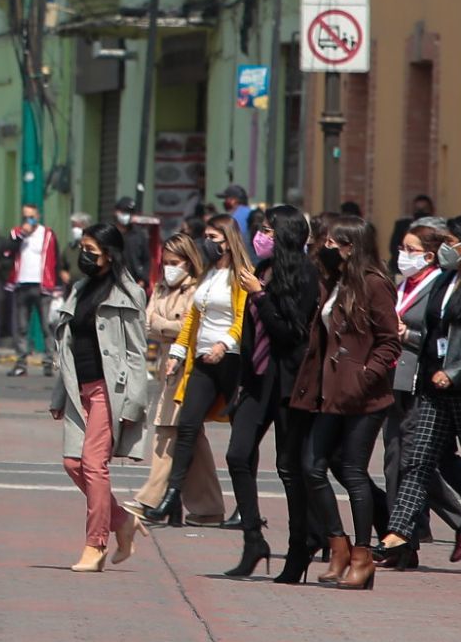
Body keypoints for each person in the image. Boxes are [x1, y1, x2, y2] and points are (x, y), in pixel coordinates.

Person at [378, 214, 461, 576]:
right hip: (433, 384)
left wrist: (454, 372)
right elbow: (433, 332)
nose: (443, 250)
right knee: (418, 458)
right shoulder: (446, 280)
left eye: (449, 242)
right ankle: (398, 531)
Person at [289, 215, 399, 590]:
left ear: (352, 246)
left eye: (334, 244)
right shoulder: (334, 282)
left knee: (353, 471)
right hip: (329, 393)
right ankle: (338, 544)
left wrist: (364, 375)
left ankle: (363, 555)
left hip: (364, 397)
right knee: (313, 467)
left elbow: (389, 340)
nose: (326, 248)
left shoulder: (374, 284)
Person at [224, 204, 320, 582]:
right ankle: (253, 539)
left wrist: (260, 296)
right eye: (260, 230)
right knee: (237, 454)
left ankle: (300, 548)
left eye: (269, 231)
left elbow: (290, 332)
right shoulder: (260, 271)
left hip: (287, 382)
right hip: (257, 379)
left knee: (288, 467)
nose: (261, 237)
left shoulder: (304, 274)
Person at [47, 223, 147, 571]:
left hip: (111, 390)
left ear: (110, 254)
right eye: (83, 249)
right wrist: (60, 395)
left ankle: (96, 544)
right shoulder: (79, 289)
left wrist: (135, 402)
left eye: (92, 249)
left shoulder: (128, 294)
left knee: (93, 464)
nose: (85, 256)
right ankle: (123, 521)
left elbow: (136, 352)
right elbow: (66, 349)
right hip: (80, 388)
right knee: (72, 463)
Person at [142, 217, 250, 526]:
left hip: (230, 360)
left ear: (228, 241)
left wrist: (225, 343)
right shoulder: (208, 275)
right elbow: (192, 319)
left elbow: (243, 318)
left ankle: (245, 506)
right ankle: (171, 497)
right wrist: (177, 352)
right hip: (201, 361)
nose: (207, 242)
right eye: (206, 236)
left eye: (213, 236)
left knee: (242, 435)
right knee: (187, 425)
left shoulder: (241, 276)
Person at [384, 218, 461, 557]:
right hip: (394, 380)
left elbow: (441, 340)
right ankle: (403, 539)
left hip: (421, 381)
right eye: (401, 249)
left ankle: (459, 520)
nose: (403, 255)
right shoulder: (403, 284)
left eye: (411, 250)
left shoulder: (438, 285)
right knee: (394, 460)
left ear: (429, 256)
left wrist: (405, 335)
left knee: (412, 461)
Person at [129, 233, 226, 527]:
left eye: (176, 262)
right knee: (190, 437)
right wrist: (166, 325)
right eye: (166, 262)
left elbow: (189, 326)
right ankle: (208, 508)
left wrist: (164, 325)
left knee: (168, 430)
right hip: (166, 365)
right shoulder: (160, 287)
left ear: (188, 262)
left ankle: (151, 499)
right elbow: (147, 323)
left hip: (189, 366)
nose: (170, 268)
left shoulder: (196, 288)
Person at [7, 203, 60, 377]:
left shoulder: (48, 234)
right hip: (22, 284)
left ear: (38, 216)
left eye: (31, 216)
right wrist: (22, 234)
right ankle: (21, 363)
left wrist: (57, 286)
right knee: (22, 327)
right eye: (25, 216)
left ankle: (48, 362)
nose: (28, 219)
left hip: (42, 286)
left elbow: (56, 260)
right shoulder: (16, 233)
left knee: (46, 326)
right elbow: (7, 252)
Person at [389, 194, 435, 262]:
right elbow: (394, 248)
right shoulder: (402, 226)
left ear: (432, 210)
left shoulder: (437, 228)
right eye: (417, 209)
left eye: (424, 209)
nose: (420, 212)